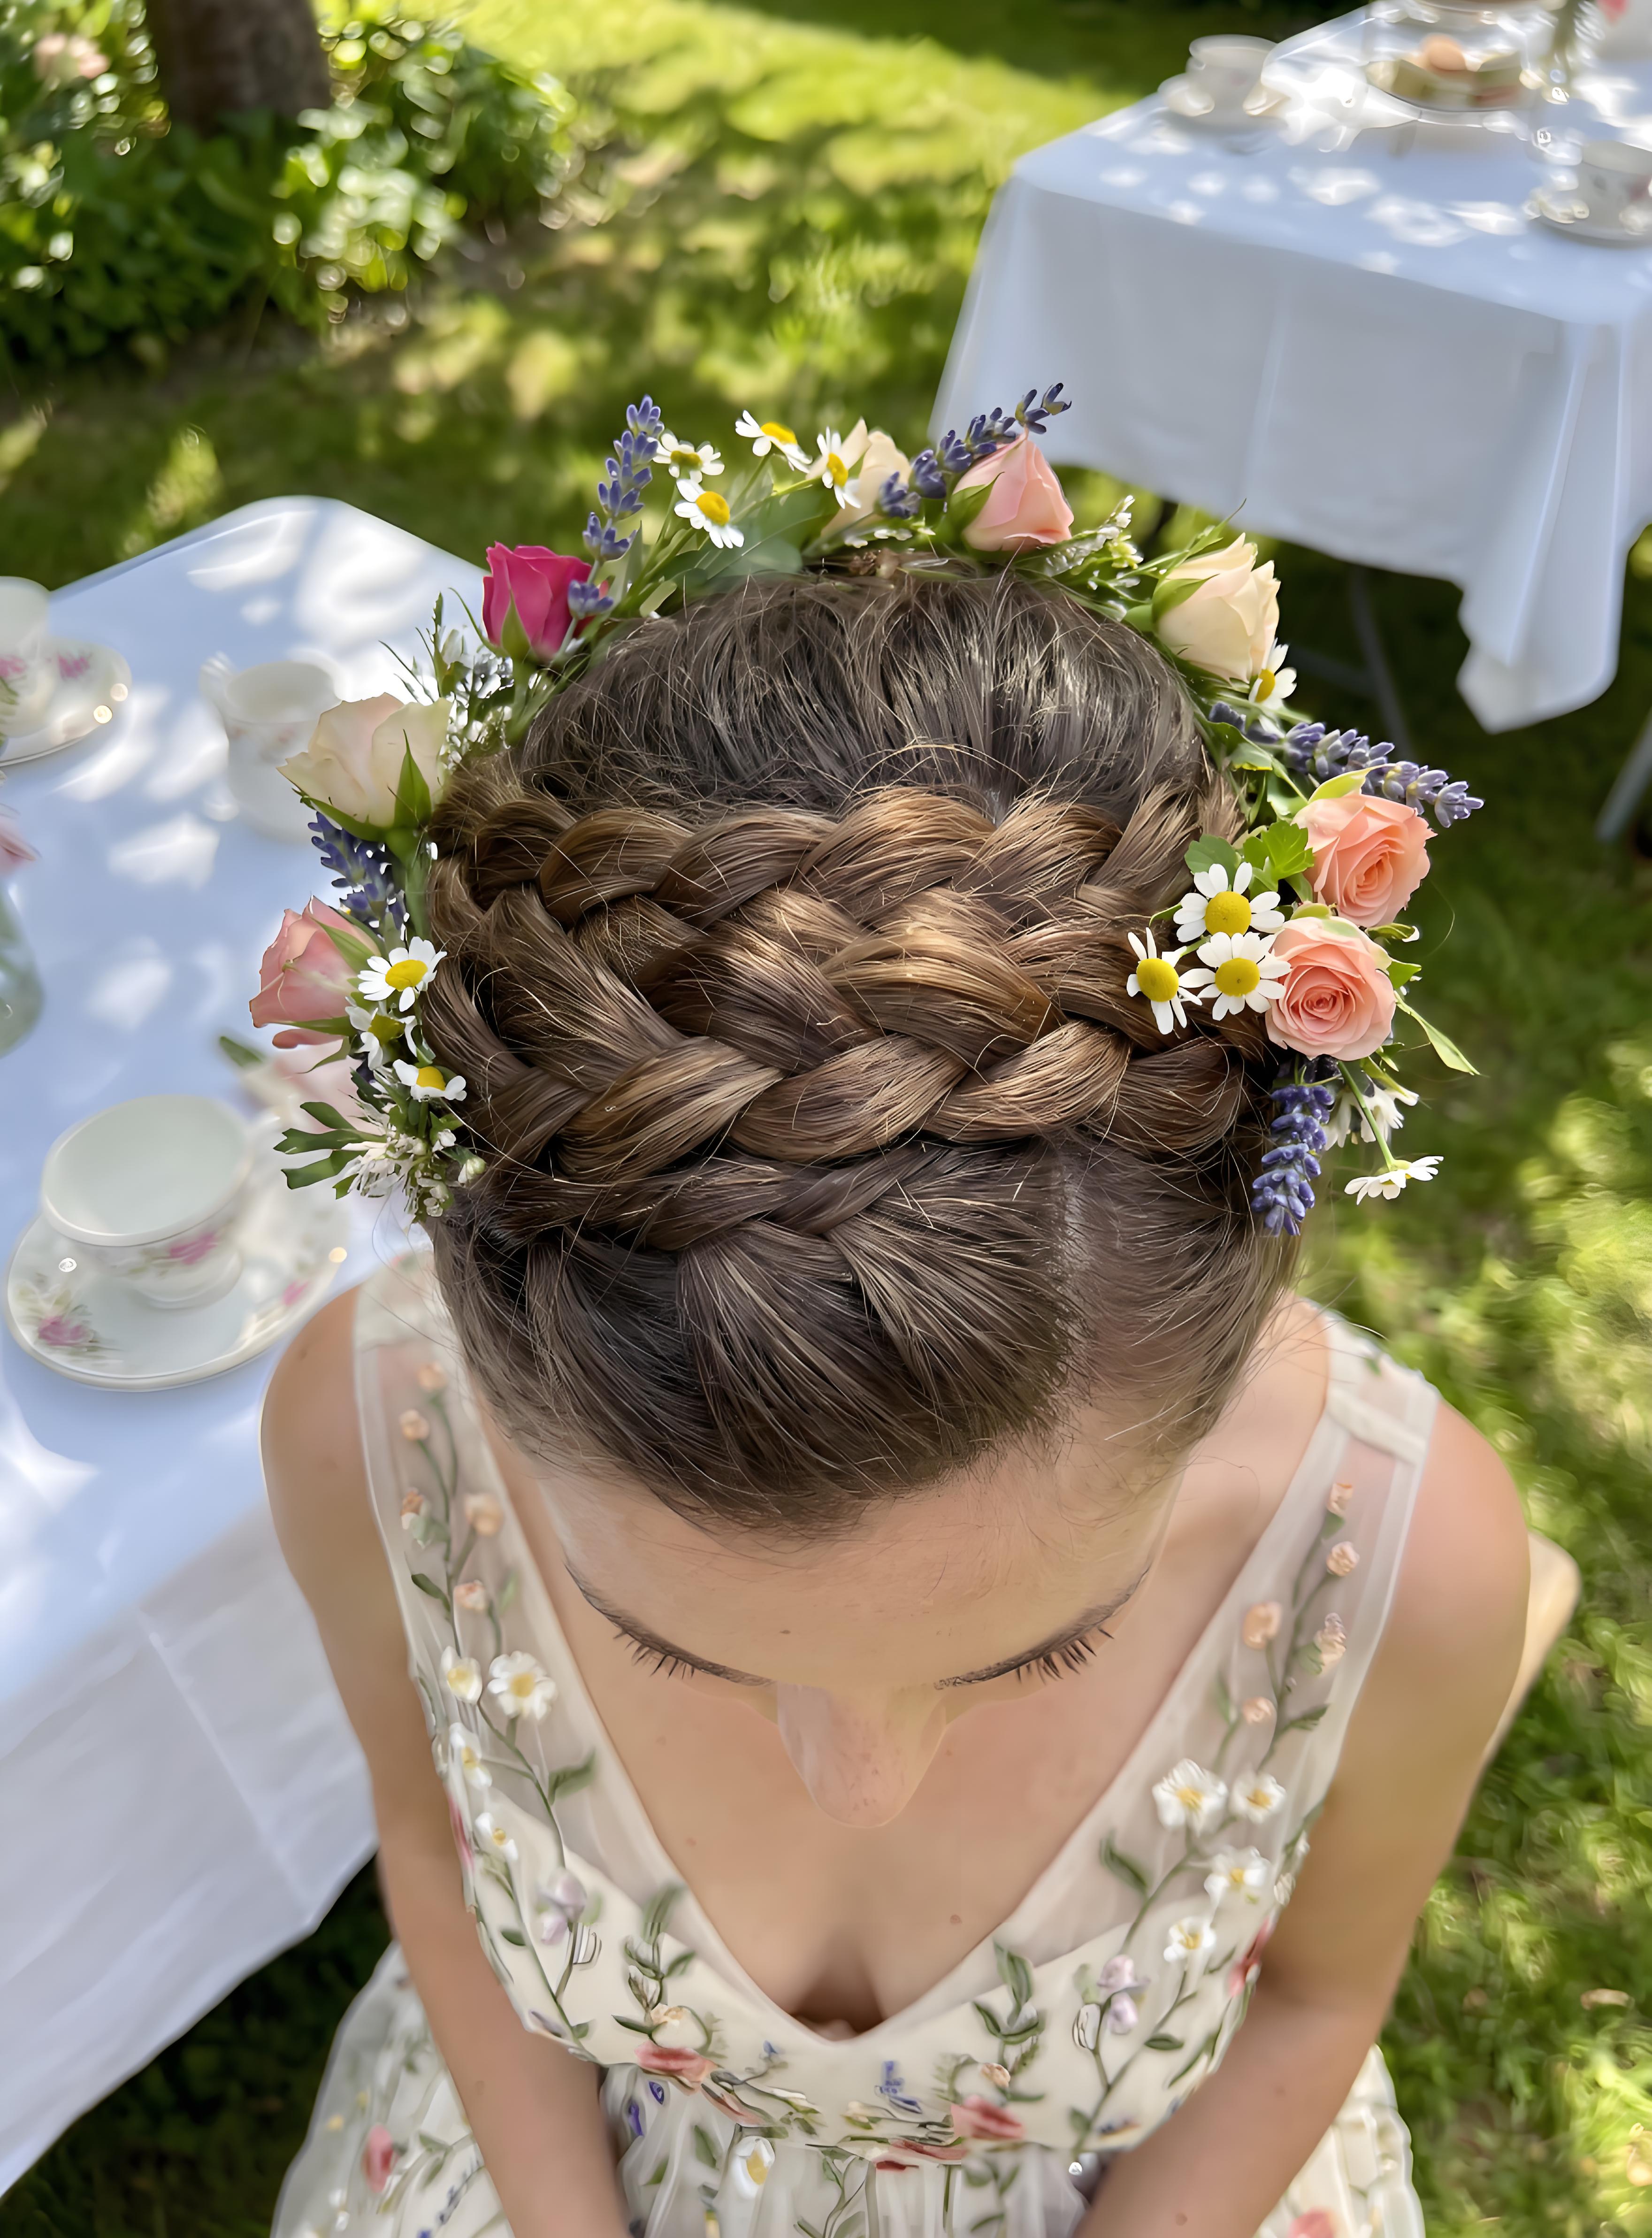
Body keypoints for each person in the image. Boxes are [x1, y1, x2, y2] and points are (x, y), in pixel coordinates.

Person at [259, 494, 1528, 2238]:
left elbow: (1311, 1999)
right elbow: (432, 1848)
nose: (861, 1782)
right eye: (657, 1640)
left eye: (1051, 1646)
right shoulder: (370, 1432)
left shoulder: (1411, 1564)